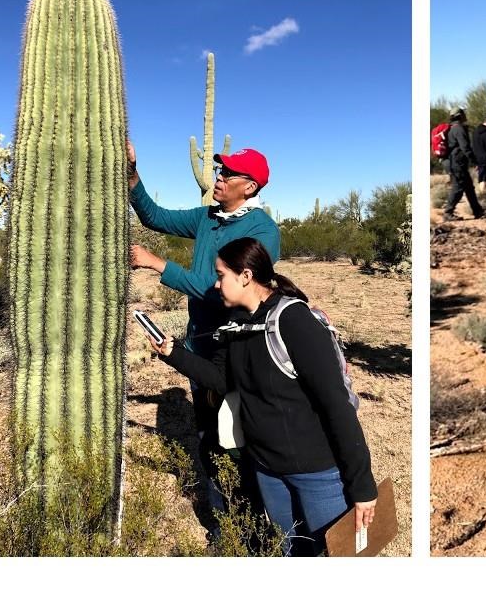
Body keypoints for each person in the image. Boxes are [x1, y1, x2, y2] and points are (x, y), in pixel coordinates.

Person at [148, 237, 378, 556]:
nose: (216, 285)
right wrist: (172, 352)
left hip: (317, 472)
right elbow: (222, 379)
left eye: (220, 275)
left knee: (336, 554)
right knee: (290, 549)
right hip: (268, 469)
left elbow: (336, 406)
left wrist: (362, 486)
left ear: (245, 276)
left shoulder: (293, 321)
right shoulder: (239, 324)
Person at [127, 142, 281, 521]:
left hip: (237, 349)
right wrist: (131, 173)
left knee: (239, 437)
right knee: (209, 434)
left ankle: (252, 517)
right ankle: (219, 518)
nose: (219, 177)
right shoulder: (209, 217)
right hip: (200, 343)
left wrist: (156, 263)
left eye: (227, 174)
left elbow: (219, 288)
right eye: (218, 171)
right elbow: (155, 216)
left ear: (249, 187)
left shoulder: (262, 230)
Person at [442, 108, 484, 221]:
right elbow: (465, 147)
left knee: (469, 187)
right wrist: (474, 161)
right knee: (458, 187)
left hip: (455, 162)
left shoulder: (453, 129)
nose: (466, 115)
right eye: (464, 113)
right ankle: (448, 212)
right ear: (460, 116)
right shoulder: (458, 129)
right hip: (457, 163)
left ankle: (478, 211)